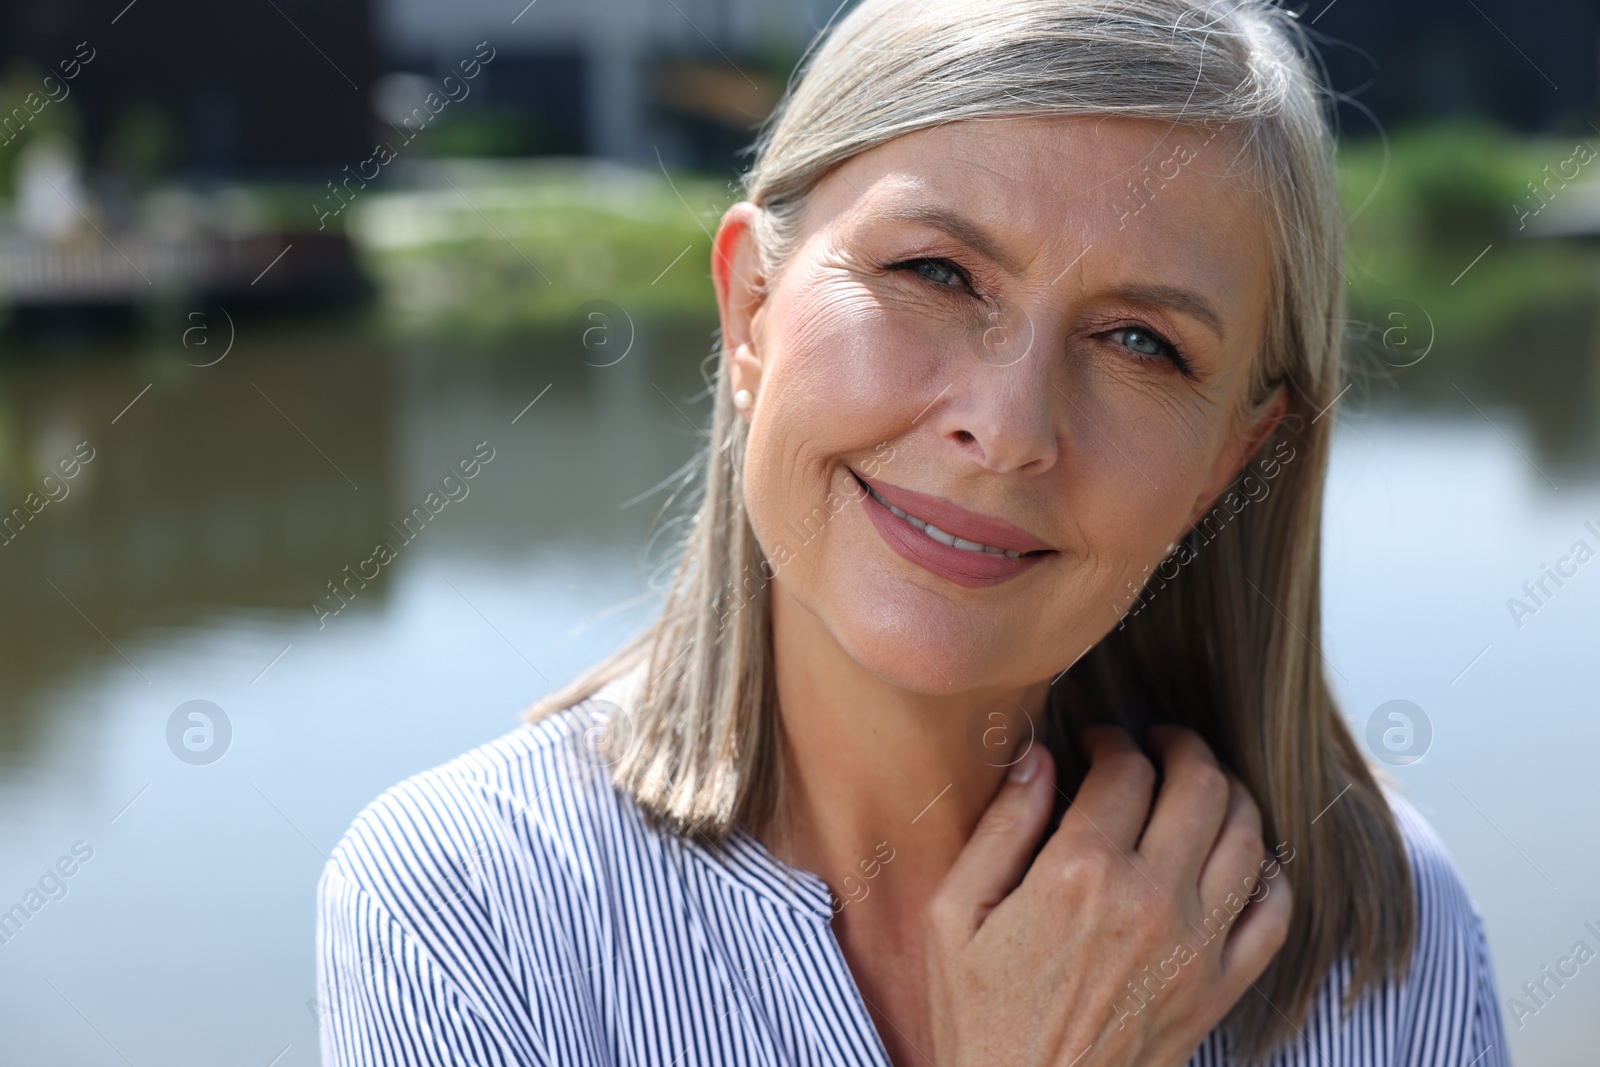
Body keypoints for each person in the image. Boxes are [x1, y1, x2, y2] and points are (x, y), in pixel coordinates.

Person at [316, 1, 1511, 1063]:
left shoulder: (1383, 935)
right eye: (936, 272)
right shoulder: (462, 906)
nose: (1006, 427)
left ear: (1226, 467)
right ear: (749, 314)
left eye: (1141, 341)